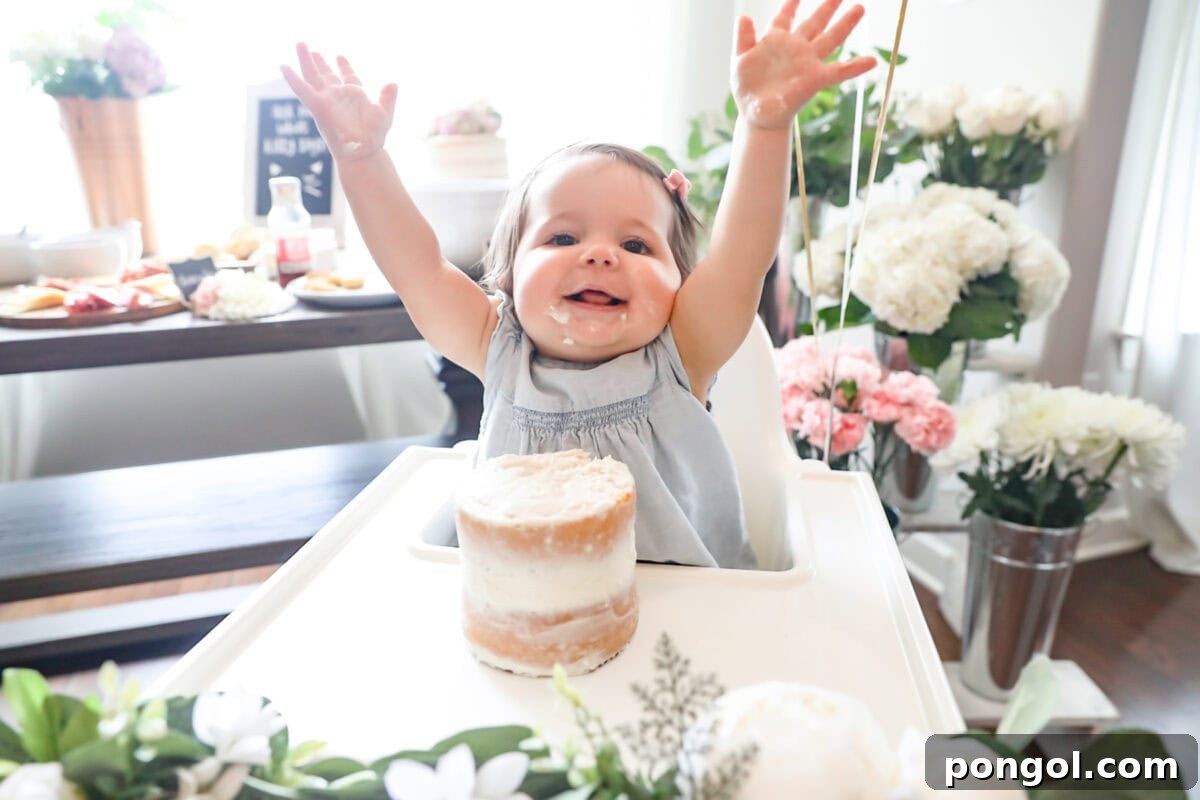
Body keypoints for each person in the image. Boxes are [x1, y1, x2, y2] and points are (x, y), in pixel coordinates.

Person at [282, 0, 874, 569]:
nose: (598, 255)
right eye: (562, 239)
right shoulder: (498, 347)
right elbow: (417, 268)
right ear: (509, 277)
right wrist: (361, 160)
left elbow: (743, 257)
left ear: (680, 285)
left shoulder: (681, 354)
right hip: (517, 606)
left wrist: (764, 128)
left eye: (636, 244)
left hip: (684, 615)